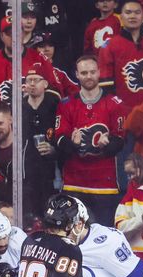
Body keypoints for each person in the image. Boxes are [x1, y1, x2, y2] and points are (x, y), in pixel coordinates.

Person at [54, 55, 126, 226]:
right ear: (77, 75)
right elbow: (59, 139)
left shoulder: (114, 104)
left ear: (99, 72)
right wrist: (73, 145)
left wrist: (107, 144)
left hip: (105, 184)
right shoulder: (66, 105)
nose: (89, 76)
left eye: (92, 72)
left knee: (104, 234)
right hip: (74, 183)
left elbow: (121, 139)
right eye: (84, 72)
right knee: (74, 235)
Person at [0, 15, 58, 103]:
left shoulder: (40, 59)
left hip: (31, 115)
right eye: (9, 33)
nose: (14, 37)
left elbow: (55, 91)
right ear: (1, 36)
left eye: (17, 32)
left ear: (23, 33)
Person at [98, 0, 143, 112]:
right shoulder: (109, 46)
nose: (133, 16)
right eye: (128, 12)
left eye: (137, 12)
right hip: (122, 112)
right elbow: (106, 88)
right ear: (121, 17)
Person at [22, 61, 60, 213]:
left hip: (50, 169)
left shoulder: (55, 104)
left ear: (45, 83)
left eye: (36, 80)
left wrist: (53, 149)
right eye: (28, 80)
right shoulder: (19, 106)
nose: (32, 84)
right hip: (27, 168)